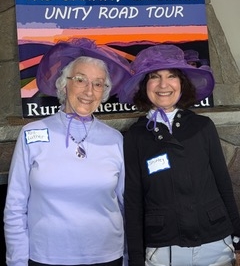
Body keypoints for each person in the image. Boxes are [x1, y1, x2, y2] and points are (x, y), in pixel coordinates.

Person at [4, 38, 131, 266]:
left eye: (98, 84)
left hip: (107, 256)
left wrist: (128, 257)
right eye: (80, 80)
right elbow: (15, 206)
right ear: (64, 84)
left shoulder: (115, 140)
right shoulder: (32, 134)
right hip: (46, 257)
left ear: (104, 92)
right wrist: (17, 260)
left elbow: (126, 205)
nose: (89, 91)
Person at [119, 44, 240, 266]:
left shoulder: (203, 126)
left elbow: (224, 184)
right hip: (164, 248)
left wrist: (239, 239)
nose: (163, 84)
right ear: (144, 85)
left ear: (181, 83)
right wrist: (136, 259)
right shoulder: (136, 136)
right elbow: (133, 203)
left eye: (171, 76)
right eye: (154, 77)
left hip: (216, 243)